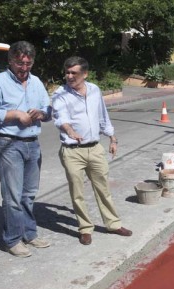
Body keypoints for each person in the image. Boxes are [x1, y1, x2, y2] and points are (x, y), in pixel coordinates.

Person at [52, 56, 132, 246]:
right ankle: (85, 228)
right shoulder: (59, 94)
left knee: (103, 188)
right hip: (72, 151)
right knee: (77, 192)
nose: (69, 76)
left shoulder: (95, 90)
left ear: (85, 74)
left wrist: (112, 138)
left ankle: (113, 224)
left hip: (95, 149)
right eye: (67, 72)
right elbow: (60, 117)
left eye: (74, 73)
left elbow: (103, 116)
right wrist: (70, 130)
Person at [0, 41, 51, 258]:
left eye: (28, 63)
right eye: (20, 63)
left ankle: (29, 233)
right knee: (12, 196)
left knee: (29, 194)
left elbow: (48, 109)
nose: (24, 68)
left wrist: (42, 113)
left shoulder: (37, 82)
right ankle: (12, 239)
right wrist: (14, 114)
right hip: (8, 143)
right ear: (11, 61)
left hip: (33, 144)